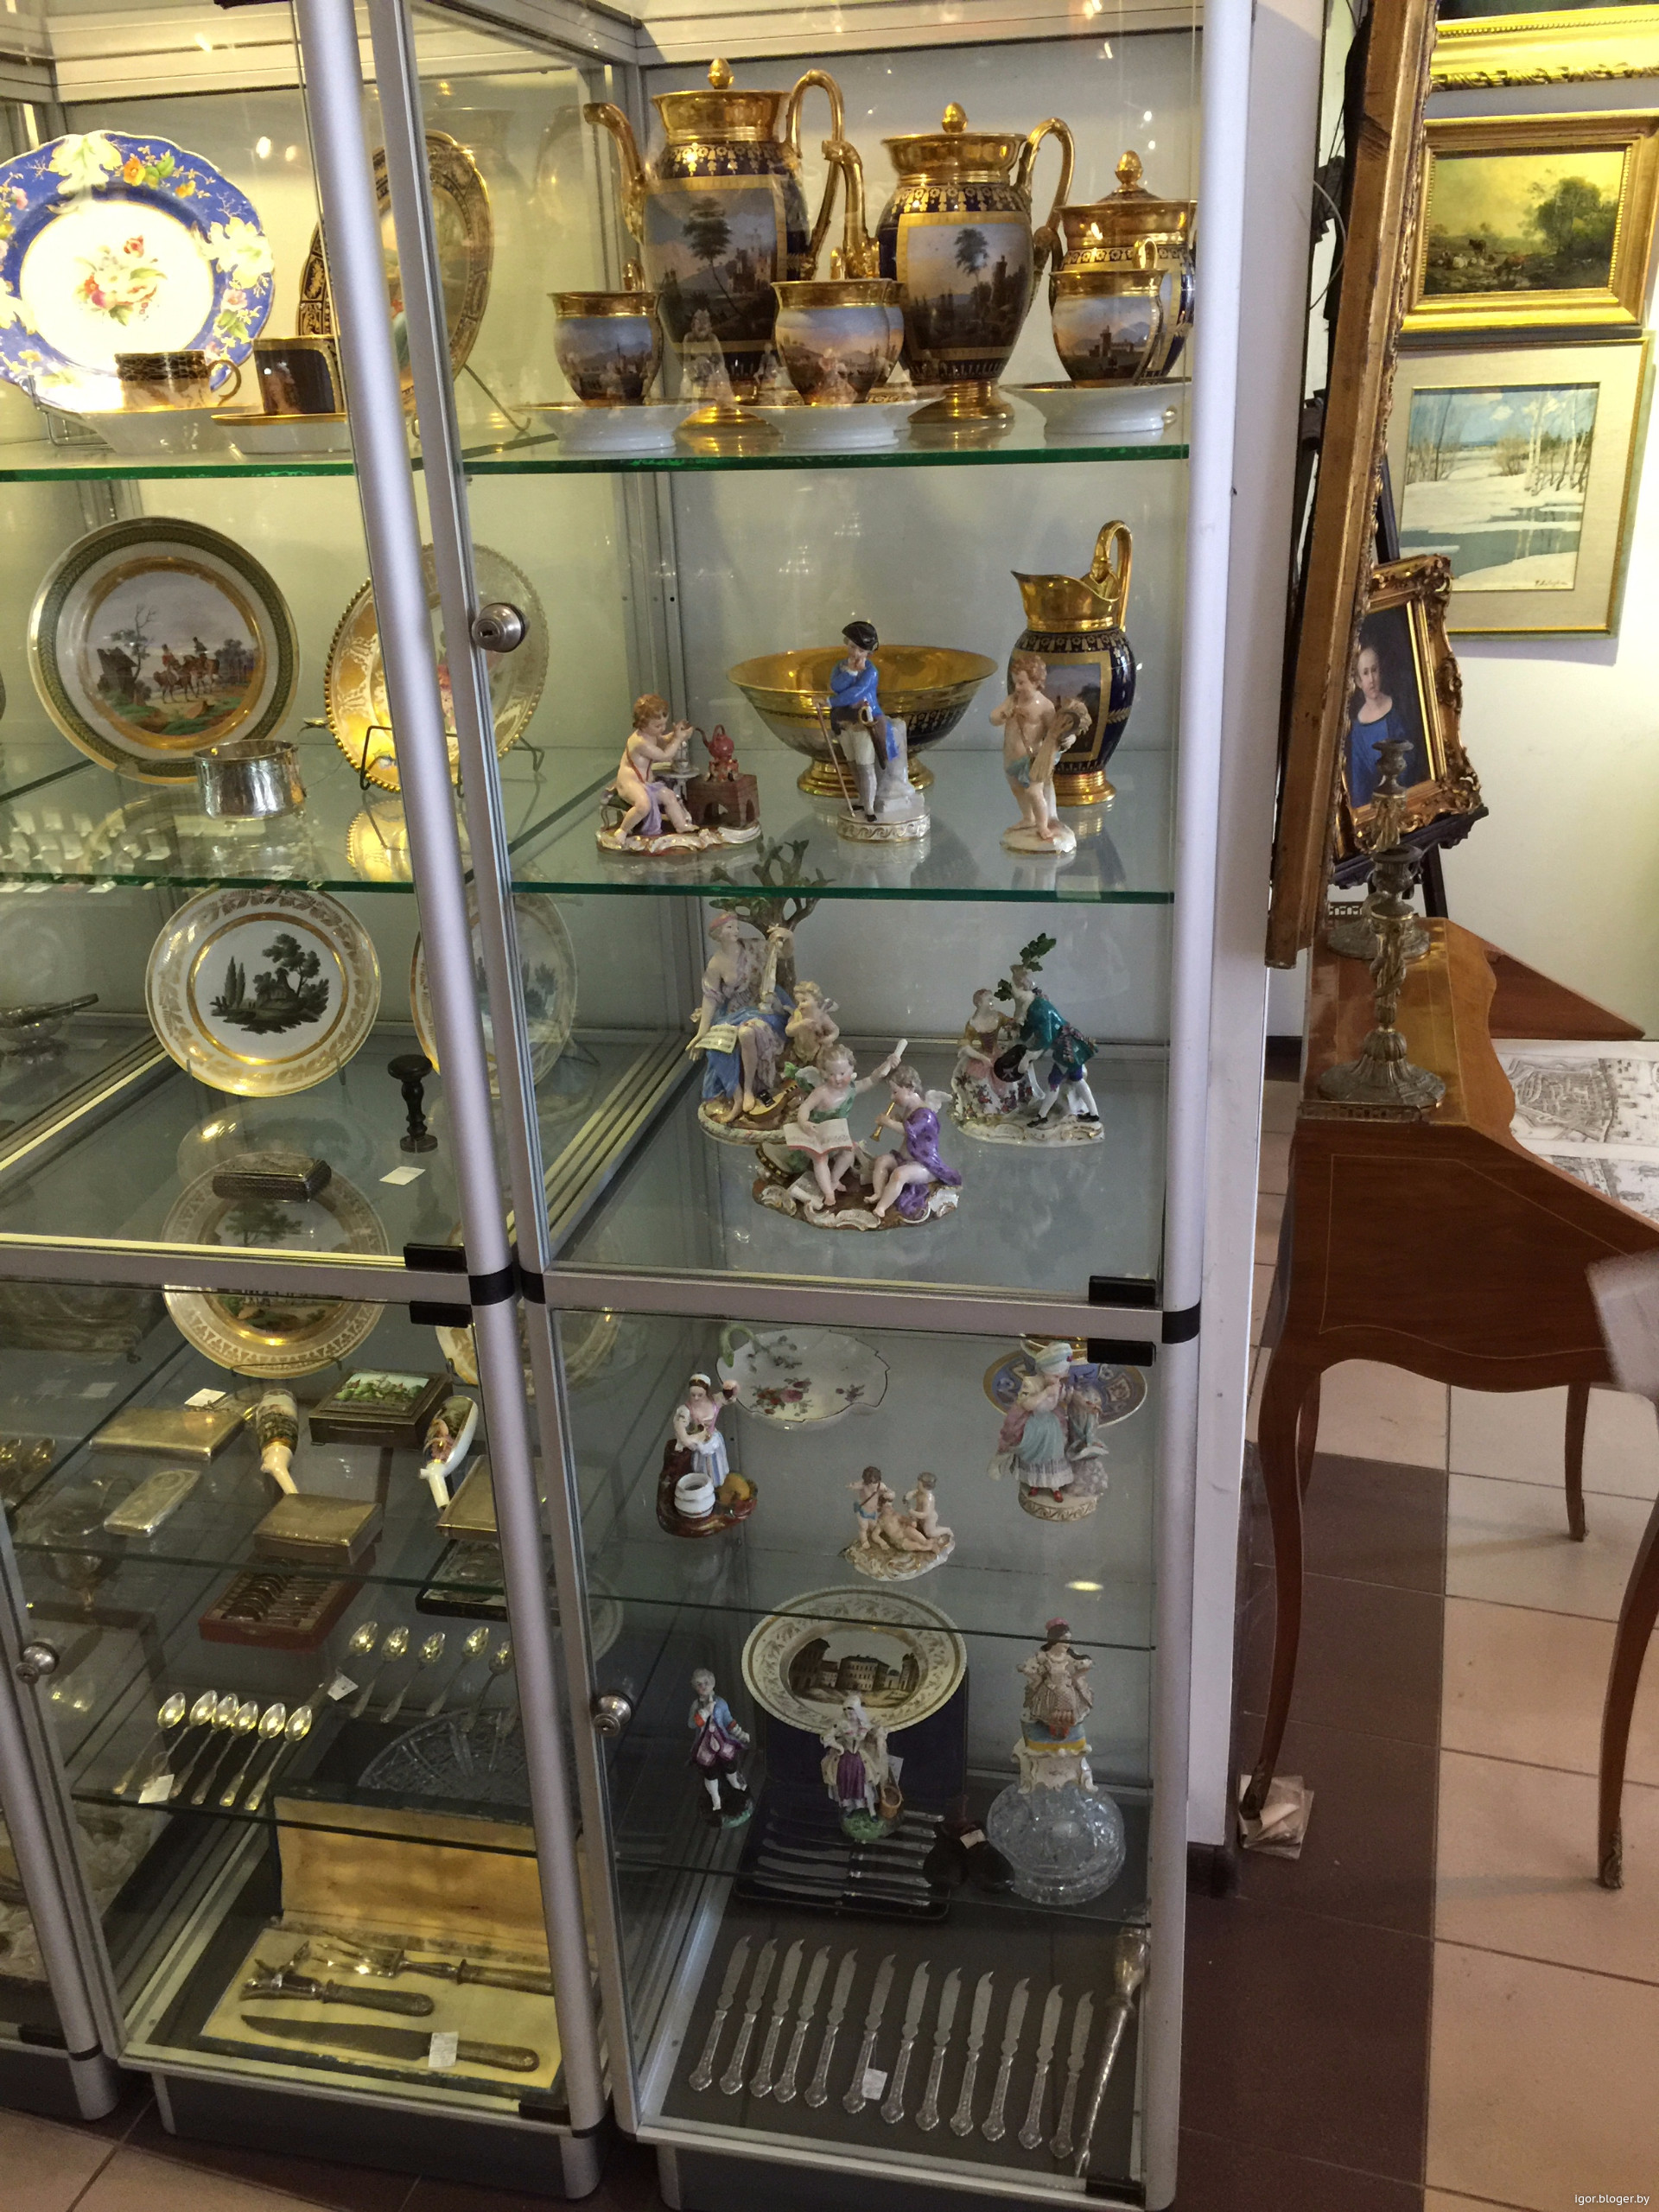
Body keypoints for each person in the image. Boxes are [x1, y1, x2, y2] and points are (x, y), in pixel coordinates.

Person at [689, 918, 792, 1122]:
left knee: (747, 1032)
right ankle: (736, 1096)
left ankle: (748, 1090)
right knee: (716, 1042)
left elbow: (783, 954)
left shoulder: (753, 948)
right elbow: (710, 997)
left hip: (764, 1006)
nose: (736, 930)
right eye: (730, 927)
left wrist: (788, 936)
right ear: (718, 934)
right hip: (734, 1012)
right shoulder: (716, 963)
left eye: (736, 926)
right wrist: (702, 1031)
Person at [866, 1063, 963, 1221]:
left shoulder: (926, 1114)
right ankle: (879, 1193)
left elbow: (908, 1131)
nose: (892, 1097)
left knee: (899, 1175)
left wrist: (888, 1122)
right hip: (904, 1159)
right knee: (882, 1161)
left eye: (895, 1092)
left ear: (910, 1088)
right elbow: (909, 1128)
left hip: (923, 1164)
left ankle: (881, 1208)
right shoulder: (910, 1109)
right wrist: (897, 1119)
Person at [828, 618, 897, 820]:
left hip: (866, 720)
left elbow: (856, 693)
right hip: (844, 720)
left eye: (860, 650)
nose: (855, 653)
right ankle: (861, 798)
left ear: (868, 652)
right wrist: (850, 671)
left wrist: (830, 702)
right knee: (852, 763)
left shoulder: (871, 672)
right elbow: (836, 686)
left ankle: (869, 808)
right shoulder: (841, 666)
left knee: (865, 766)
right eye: (852, 647)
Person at [613, 692, 696, 842]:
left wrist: (678, 735)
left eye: (664, 724)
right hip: (630, 782)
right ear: (643, 724)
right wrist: (677, 739)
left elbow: (662, 742)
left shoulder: (651, 735)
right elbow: (665, 755)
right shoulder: (640, 742)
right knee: (643, 805)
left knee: (669, 796)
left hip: (645, 783)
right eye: (658, 726)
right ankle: (623, 830)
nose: (662, 728)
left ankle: (681, 825)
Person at [1346, 638, 1418, 808]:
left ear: (1380, 672)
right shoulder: (1357, 730)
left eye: (1374, 670)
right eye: (1365, 673)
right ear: (1358, 681)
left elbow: (1414, 757)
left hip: (1410, 797)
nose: (1371, 679)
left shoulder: (1398, 709)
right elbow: (1359, 785)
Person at [689, 1669, 750, 1823]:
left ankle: (734, 1783)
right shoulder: (696, 1705)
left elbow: (729, 1721)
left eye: (706, 1683)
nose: (703, 1687)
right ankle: (715, 1798)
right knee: (710, 1772)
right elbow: (691, 1724)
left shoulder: (721, 1703)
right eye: (699, 1684)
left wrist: (741, 1734)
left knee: (730, 1764)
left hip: (722, 1741)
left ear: (712, 1683)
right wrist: (704, 1712)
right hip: (705, 1744)